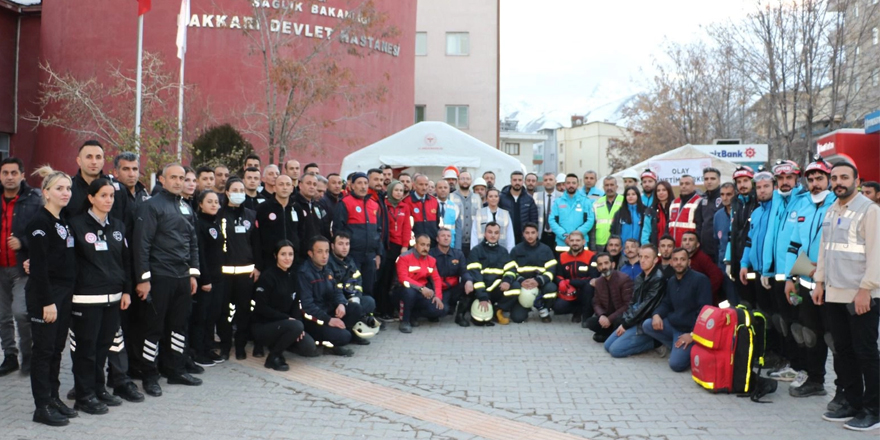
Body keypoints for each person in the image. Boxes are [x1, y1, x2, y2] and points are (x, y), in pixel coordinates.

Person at [813, 162, 880, 431]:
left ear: (857, 180)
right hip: (834, 294)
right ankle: (852, 403)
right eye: (834, 178)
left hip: (861, 296)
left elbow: (877, 254)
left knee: (866, 353)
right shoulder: (832, 209)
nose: (838, 182)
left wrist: (867, 289)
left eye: (844, 177)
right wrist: (819, 282)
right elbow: (824, 251)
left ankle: (874, 409)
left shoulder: (870, 210)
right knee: (843, 352)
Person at [131, 164, 202, 398]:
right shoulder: (150, 206)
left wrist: (193, 273)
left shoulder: (186, 207)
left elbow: (192, 243)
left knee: (178, 327)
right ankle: (150, 375)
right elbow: (141, 244)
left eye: (182, 178)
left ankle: (176, 369)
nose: (179, 181)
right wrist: (143, 279)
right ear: (162, 179)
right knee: (153, 328)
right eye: (173, 177)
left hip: (182, 278)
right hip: (159, 277)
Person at [67, 178, 132, 414]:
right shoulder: (76, 225)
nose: (108, 200)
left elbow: (125, 260)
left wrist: (126, 290)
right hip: (86, 298)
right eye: (103, 195)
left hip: (113, 297)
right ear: (91, 198)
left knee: (104, 346)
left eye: (111, 196)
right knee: (86, 349)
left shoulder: (117, 226)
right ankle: (84, 395)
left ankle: (98, 389)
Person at [25, 167, 77, 426]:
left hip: (64, 295)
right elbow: (39, 267)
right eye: (59, 188)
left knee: (56, 350)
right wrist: (47, 302)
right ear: (46, 193)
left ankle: (53, 397)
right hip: (46, 296)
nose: (65, 193)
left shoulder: (62, 221)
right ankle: (41, 406)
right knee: (43, 351)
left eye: (68, 188)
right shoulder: (40, 223)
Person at [783, 158, 837, 398]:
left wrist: (823, 273)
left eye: (819, 179)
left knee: (834, 338)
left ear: (829, 180)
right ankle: (816, 380)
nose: (815, 184)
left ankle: (846, 388)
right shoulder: (803, 206)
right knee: (811, 335)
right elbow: (793, 246)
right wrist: (788, 278)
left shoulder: (837, 205)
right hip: (805, 283)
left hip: (832, 285)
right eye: (811, 179)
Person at [762, 160, 808, 381]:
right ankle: (789, 362)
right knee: (784, 322)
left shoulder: (804, 201)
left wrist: (797, 274)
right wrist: (765, 269)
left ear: (797, 179)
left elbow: (805, 243)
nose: (785, 182)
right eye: (780, 179)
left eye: (789, 178)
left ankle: (803, 368)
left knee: (799, 324)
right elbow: (771, 236)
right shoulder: (777, 201)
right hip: (778, 274)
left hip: (797, 276)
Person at [0, 157, 41, 377]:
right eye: (5, 173)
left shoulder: (35, 200)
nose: (9, 177)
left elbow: (44, 231)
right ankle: (9, 356)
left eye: (14, 173)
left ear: (22, 175)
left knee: (21, 313)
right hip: (0, 269)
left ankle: (29, 357)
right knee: (2, 316)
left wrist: (24, 242)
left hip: (21, 268)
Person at [642, 247, 712, 371]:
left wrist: (692, 335)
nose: (679, 263)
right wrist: (656, 314)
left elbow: (705, 312)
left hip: (690, 331)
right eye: (675, 260)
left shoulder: (701, 280)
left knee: (676, 365)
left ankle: (692, 348)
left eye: (682, 259)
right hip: (673, 326)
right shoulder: (672, 281)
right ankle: (677, 347)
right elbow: (666, 303)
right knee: (648, 324)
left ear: (689, 262)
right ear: (671, 263)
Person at [251, 240, 317, 371]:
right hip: (263, 326)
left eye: (290, 254)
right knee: (296, 326)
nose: (287, 258)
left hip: (286, 324)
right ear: (276, 256)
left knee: (309, 347)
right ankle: (273, 357)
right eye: (283, 254)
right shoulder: (267, 277)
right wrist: (288, 320)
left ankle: (280, 343)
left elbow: (296, 303)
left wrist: (297, 323)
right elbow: (261, 308)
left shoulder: (293, 276)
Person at [217, 178, 261, 360]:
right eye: (234, 189)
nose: (238, 193)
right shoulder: (219, 215)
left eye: (241, 190)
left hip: (246, 274)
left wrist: (258, 267)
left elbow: (257, 243)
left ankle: (241, 346)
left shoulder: (251, 215)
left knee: (244, 312)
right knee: (224, 313)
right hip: (225, 274)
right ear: (227, 192)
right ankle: (226, 345)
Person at [298, 236, 359, 357]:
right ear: (310, 253)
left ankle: (340, 335)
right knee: (345, 337)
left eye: (326, 251)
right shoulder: (304, 273)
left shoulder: (327, 269)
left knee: (355, 308)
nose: (325, 256)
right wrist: (329, 320)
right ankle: (332, 343)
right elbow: (307, 306)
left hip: (329, 311)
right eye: (319, 252)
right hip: (314, 319)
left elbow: (336, 290)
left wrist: (341, 303)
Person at [604, 244, 666, 359]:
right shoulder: (640, 277)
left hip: (646, 321)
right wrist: (625, 320)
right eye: (641, 256)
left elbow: (645, 306)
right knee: (607, 345)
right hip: (635, 319)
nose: (642, 260)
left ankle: (655, 343)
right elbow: (632, 302)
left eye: (647, 257)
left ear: (655, 260)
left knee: (615, 350)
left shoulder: (658, 278)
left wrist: (626, 325)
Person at [333, 173, 383, 299]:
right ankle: (355, 314)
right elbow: (338, 230)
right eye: (359, 183)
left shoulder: (374, 204)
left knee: (369, 286)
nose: (363, 186)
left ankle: (368, 314)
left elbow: (378, 230)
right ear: (352, 185)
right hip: (352, 254)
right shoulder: (345, 203)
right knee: (352, 287)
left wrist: (378, 253)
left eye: (365, 183)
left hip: (370, 255)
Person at [192, 190, 224, 367]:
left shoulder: (216, 223)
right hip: (206, 278)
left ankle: (208, 346)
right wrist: (205, 279)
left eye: (216, 202)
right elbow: (200, 253)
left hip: (218, 277)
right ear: (201, 204)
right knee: (201, 317)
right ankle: (198, 352)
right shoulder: (199, 224)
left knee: (212, 315)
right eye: (209, 201)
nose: (213, 205)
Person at [326, 232, 376, 344]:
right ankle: (347, 333)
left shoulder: (349, 261)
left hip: (348, 300)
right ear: (332, 246)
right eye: (340, 244)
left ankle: (352, 331)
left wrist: (355, 297)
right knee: (355, 308)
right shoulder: (328, 262)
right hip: (335, 304)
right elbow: (333, 288)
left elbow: (357, 281)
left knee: (369, 302)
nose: (344, 247)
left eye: (347, 244)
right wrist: (344, 302)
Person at [738, 171, 776, 313]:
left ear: (774, 187)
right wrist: (744, 264)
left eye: (766, 186)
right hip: (758, 272)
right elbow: (750, 240)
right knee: (764, 315)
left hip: (774, 272)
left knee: (780, 318)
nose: (762, 190)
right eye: (759, 187)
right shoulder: (756, 212)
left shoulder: (778, 210)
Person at [466, 222, 515, 326]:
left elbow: (511, 269)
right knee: (479, 322)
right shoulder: (476, 251)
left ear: (499, 235)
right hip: (480, 291)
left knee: (515, 286)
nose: (493, 235)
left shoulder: (503, 251)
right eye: (490, 232)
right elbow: (476, 276)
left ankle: (498, 309)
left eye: (496, 233)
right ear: (484, 234)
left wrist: (507, 280)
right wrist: (482, 297)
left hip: (497, 290)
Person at [394, 234, 445, 333]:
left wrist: (438, 296)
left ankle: (413, 315)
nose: (425, 248)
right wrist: (422, 288)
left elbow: (436, 279)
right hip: (401, 290)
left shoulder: (431, 260)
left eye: (428, 245)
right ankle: (405, 321)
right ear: (415, 245)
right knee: (409, 292)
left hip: (421, 292)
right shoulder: (404, 257)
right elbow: (403, 278)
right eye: (422, 244)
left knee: (439, 309)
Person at [375, 180, 410, 320]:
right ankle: (382, 309)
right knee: (384, 278)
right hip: (386, 246)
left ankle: (391, 308)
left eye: (401, 190)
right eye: (396, 190)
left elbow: (407, 228)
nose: (399, 193)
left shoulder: (405, 207)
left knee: (394, 280)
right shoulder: (383, 205)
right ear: (390, 191)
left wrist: (405, 246)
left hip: (399, 247)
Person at [509, 223, 557, 323]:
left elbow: (551, 270)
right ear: (523, 234)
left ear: (537, 234)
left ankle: (543, 308)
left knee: (551, 288)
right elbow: (510, 269)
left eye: (533, 233)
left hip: (540, 285)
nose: (530, 236)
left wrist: (538, 281)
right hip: (523, 286)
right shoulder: (516, 250)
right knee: (517, 318)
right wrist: (521, 280)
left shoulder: (546, 250)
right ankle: (526, 306)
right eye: (527, 233)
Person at [724, 166, 757, 308]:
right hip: (738, 258)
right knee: (743, 303)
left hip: (754, 262)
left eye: (745, 181)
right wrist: (729, 260)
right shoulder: (736, 203)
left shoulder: (757, 201)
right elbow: (732, 233)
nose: (742, 185)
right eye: (739, 182)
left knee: (757, 302)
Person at [255, 175, 300, 272]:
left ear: (292, 189)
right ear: (274, 188)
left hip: (292, 262)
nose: (284, 187)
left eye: (288, 184)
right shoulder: (262, 208)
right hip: (269, 262)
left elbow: (301, 232)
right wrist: (258, 264)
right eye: (281, 184)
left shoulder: (297, 208)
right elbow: (257, 238)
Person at [585, 252, 633, 342]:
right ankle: (611, 336)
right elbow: (596, 303)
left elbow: (627, 305)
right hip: (607, 316)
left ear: (613, 264)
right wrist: (602, 315)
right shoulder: (598, 282)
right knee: (590, 322)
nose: (604, 267)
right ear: (598, 268)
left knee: (618, 321)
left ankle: (609, 336)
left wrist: (610, 319)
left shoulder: (624, 279)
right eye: (600, 264)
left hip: (620, 316)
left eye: (606, 263)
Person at [554, 231, 597, 324]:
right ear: (568, 242)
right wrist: (561, 282)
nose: (575, 243)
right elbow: (558, 275)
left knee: (589, 288)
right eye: (572, 240)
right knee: (558, 308)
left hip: (585, 291)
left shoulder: (591, 256)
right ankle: (577, 311)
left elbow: (593, 278)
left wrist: (569, 282)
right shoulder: (562, 256)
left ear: (583, 242)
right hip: (569, 292)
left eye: (578, 240)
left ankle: (586, 318)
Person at [429, 228, 469, 326]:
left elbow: (464, 271)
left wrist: (468, 281)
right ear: (437, 239)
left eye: (448, 236)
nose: (446, 238)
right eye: (443, 236)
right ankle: (438, 311)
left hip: (453, 288)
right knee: (441, 311)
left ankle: (460, 316)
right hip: (437, 289)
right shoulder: (430, 254)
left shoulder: (458, 254)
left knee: (470, 285)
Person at [549, 173, 594, 253]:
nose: (571, 185)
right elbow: (552, 220)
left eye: (573, 183)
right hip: (562, 244)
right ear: (565, 184)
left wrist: (577, 235)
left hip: (581, 243)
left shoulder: (585, 201)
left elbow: (590, 220)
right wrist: (564, 236)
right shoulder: (558, 202)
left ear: (578, 184)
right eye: (568, 183)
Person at [292, 174, 327, 265]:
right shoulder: (293, 204)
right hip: (300, 256)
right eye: (308, 183)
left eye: (314, 184)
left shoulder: (317, 206)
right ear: (300, 185)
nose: (312, 187)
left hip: (316, 256)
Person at [681, 231, 723, 304]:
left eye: (691, 240)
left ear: (697, 244)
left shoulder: (702, 258)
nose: (687, 242)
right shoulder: (679, 257)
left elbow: (717, 276)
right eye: (684, 240)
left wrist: (705, 293)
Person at [499, 171, 538, 245]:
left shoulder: (529, 199)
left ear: (523, 181)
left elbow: (533, 219)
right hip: (506, 235)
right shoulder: (502, 198)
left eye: (519, 180)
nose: (517, 182)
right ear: (511, 181)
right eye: (515, 180)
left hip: (524, 238)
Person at [449, 171, 482, 256]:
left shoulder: (477, 197)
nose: (465, 181)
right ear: (458, 181)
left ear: (471, 181)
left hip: (473, 241)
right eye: (462, 179)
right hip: (456, 240)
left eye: (467, 179)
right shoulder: (451, 197)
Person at [402, 174, 440, 247]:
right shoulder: (407, 201)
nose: (424, 187)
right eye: (421, 184)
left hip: (432, 244)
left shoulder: (434, 201)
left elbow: (438, 223)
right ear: (414, 185)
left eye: (426, 185)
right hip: (414, 244)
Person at [714, 182, 736, 303]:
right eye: (722, 194)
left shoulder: (740, 213)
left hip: (738, 264)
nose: (725, 197)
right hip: (723, 266)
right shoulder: (718, 216)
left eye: (729, 194)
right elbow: (717, 242)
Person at [668, 174, 702, 246]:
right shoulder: (674, 202)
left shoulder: (699, 202)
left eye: (687, 184)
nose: (683, 186)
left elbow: (700, 227)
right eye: (681, 184)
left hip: (689, 247)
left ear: (694, 186)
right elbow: (669, 224)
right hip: (673, 246)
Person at [592, 176, 624, 251]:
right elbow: (593, 227)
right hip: (600, 244)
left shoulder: (624, 201)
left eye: (612, 185)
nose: (609, 187)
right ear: (603, 187)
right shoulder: (597, 203)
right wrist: (593, 247)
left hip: (618, 244)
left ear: (616, 187)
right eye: (607, 185)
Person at [698, 167, 723, 261]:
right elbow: (699, 223)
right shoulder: (702, 199)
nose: (709, 181)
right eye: (706, 179)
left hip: (720, 248)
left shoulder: (725, 198)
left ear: (719, 180)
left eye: (712, 179)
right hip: (705, 249)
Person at [644, 181, 674, 245]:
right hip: (655, 247)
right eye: (658, 190)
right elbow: (646, 232)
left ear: (669, 191)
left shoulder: (675, 208)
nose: (661, 193)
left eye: (664, 190)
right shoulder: (650, 211)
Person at [435, 180, 461, 249]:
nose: (443, 190)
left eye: (445, 187)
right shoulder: (430, 205)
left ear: (449, 190)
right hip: (434, 245)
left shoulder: (455, 207)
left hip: (450, 245)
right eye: (440, 188)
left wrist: (458, 248)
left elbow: (458, 230)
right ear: (436, 190)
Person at [535, 172, 558, 249]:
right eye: (545, 180)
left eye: (551, 179)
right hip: (542, 234)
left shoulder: (562, 196)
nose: (548, 182)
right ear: (543, 183)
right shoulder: (536, 196)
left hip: (557, 234)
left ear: (555, 181)